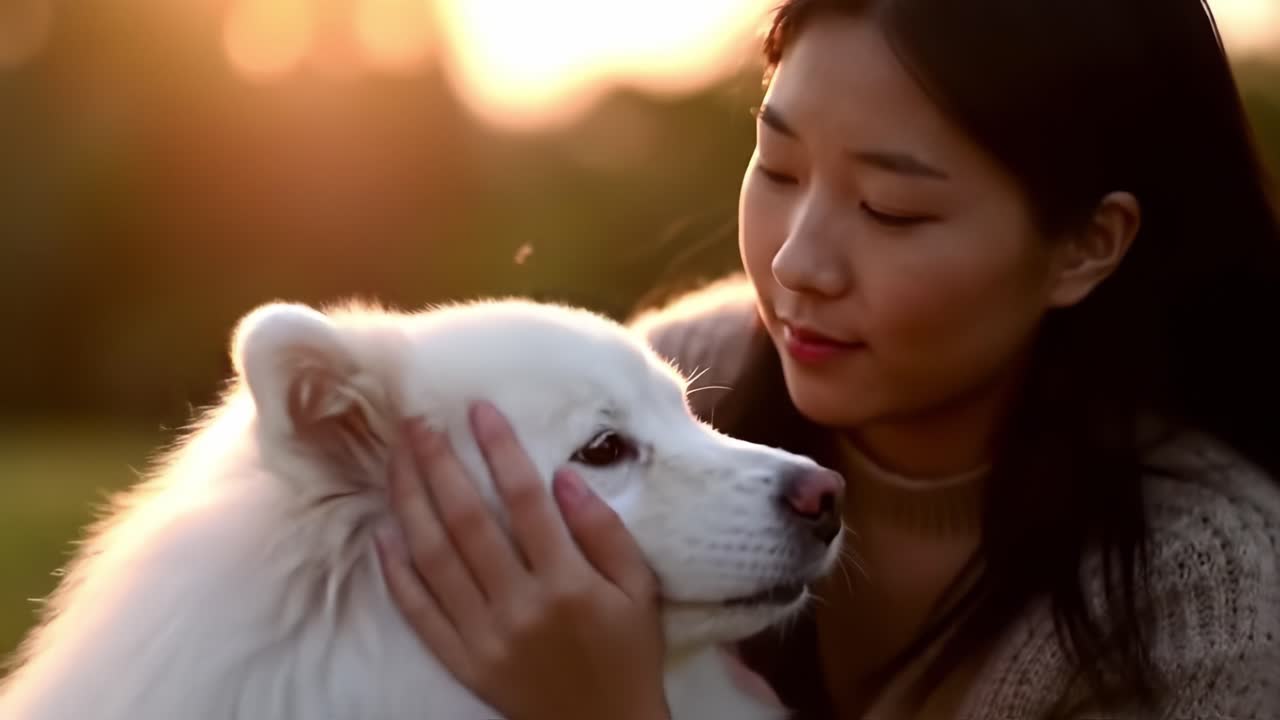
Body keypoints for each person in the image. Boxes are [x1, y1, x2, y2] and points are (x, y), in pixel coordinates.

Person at [373, 1, 1280, 718]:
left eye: (891, 209)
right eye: (776, 166)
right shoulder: (670, 382)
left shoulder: (1215, 602)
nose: (795, 263)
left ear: (1086, 245)